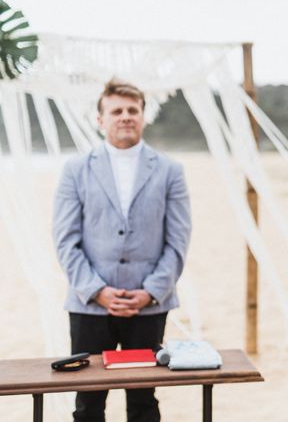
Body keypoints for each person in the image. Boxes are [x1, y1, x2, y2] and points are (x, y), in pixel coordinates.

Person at [53, 79, 192, 422]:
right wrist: (96, 291)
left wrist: (151, 292)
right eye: (116, 110)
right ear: (101, 120)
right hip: (89, 305)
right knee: (88, 401)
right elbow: (65, 239)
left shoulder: (170, 170)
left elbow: (178, 239)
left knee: (144, 398)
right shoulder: (75, 170)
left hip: (147, 306)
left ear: (144, 116)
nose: (125, 116)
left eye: (133, 110)